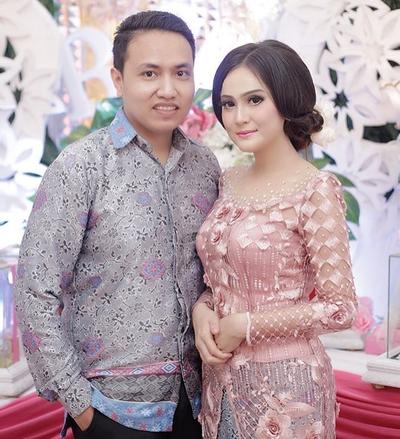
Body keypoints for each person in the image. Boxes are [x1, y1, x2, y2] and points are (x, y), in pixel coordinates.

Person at [15, 10, 220, 439]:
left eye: (181, 73)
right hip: (113, 410)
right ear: (118, 79)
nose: (168, 89)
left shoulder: (205, 166)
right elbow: (35, 291)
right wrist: (83, 408)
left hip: (200, 405)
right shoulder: (81, 167)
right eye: (150, 73)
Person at [192, 39, 358, 439]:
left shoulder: (315, 189)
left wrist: (246, 325)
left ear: (285, 100)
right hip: (220, 382)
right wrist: (202, 310)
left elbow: (340, 309)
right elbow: (223, 278)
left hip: (288, 386)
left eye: (254, 100)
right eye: (228, 104)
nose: (239, 117)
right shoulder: (228, 181)